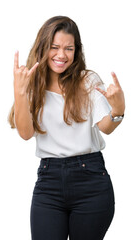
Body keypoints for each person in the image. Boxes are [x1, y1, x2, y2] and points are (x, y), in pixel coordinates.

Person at [8, 16, 125, 240]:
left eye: (69, 48)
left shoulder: (87, 80)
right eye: (54, 47)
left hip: (91, 181)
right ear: (43, 48)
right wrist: (19, 91)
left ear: (76, 51)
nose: (61, 55)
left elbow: (106, 127)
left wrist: (118, 110)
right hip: (48, 183)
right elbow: (25, 134)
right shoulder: (32, 84)